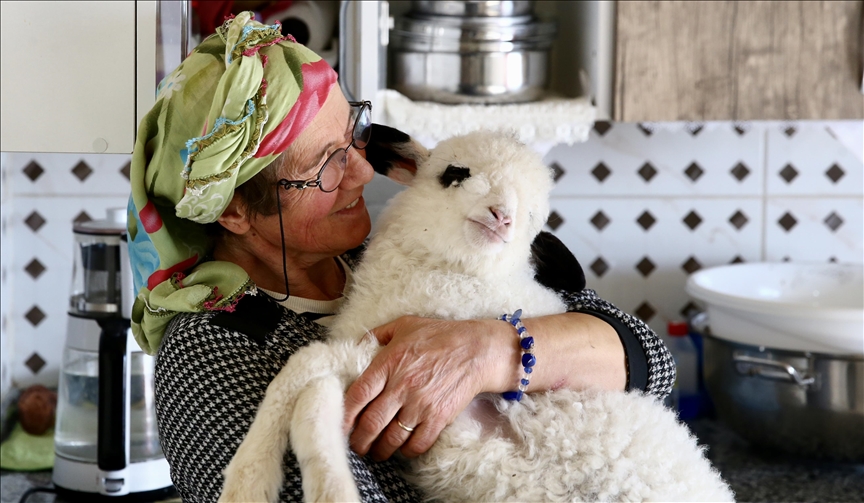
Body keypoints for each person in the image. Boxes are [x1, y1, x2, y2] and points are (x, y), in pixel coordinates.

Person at [128, 13, 674, 502]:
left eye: (354, 135)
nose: (364, 172)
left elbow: (650, 364)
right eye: (325, 166)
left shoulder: (397, 241)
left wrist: (490, 350)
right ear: (233, 212)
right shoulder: (211, 352)